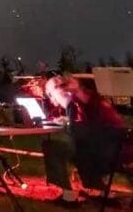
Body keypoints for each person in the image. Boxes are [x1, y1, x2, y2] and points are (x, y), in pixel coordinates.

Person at [42, 75, 125, 207]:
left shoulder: (80, 98)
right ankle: (104, 193)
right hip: (114, 144)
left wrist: (78, 90)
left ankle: (69, 197)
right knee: (73, 145)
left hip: (109, 149)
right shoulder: (77, 102)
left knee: (54, 147)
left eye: (58, 87)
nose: (60, 91)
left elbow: (91, 107)